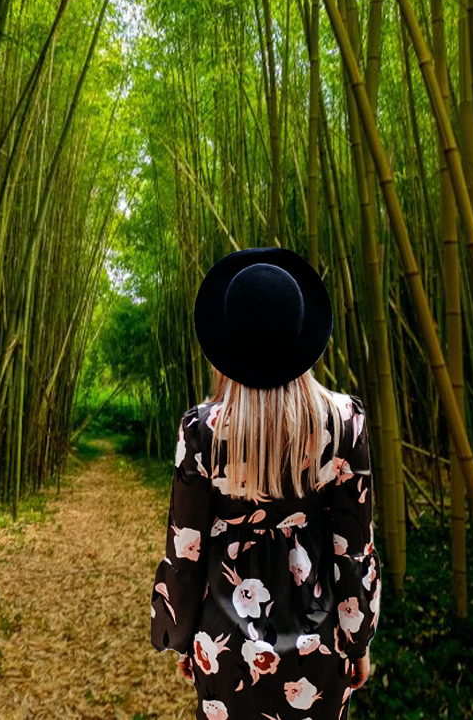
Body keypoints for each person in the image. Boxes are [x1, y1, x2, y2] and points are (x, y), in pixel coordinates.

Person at [150, 246, 381, 720]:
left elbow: (186, 548)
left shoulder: (203, 431)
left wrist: (185, 634)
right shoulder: (342, 424)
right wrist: (358, 642)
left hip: (226, 645)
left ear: (228, 342)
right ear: (301, 335)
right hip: (320, 652)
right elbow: (352, 549)